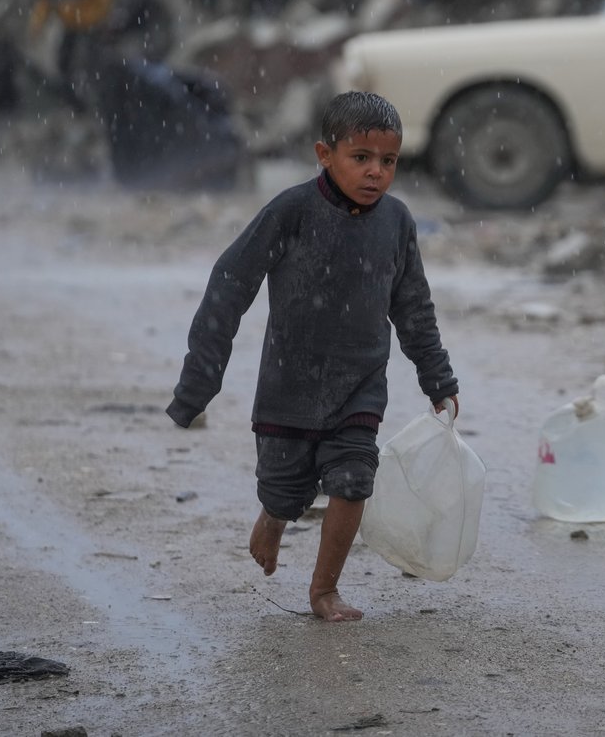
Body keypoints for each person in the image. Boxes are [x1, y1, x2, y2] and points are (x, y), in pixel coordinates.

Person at [167, 91, 459, 621]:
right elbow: (230, 284)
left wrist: (437, 378)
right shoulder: (291, 212)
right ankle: (274, 516)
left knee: (353, 478)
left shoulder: (396, 223)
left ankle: (324, 590)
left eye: (388, 162)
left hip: (359, 386)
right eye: (361, 158)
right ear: (325, 154)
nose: (376, 173)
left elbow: (413, 306)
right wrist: (198, 382)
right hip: (289, 384)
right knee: (286, 488)